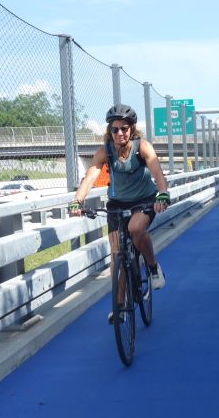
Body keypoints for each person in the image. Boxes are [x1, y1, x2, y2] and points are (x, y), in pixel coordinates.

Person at [69, 104, 171, 320]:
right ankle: (119, 308)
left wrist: (163, 193)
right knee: (117, 255)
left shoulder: (142, 147)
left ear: (131, 129)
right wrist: (77, 200)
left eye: (124, 128)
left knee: (135, 228)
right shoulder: (104, 152)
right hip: (117, 204)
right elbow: (90, 177)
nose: (120, 133)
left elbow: (156, 169)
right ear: (110, 131)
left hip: (144, 200)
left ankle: (152, 268)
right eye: (115, 129)